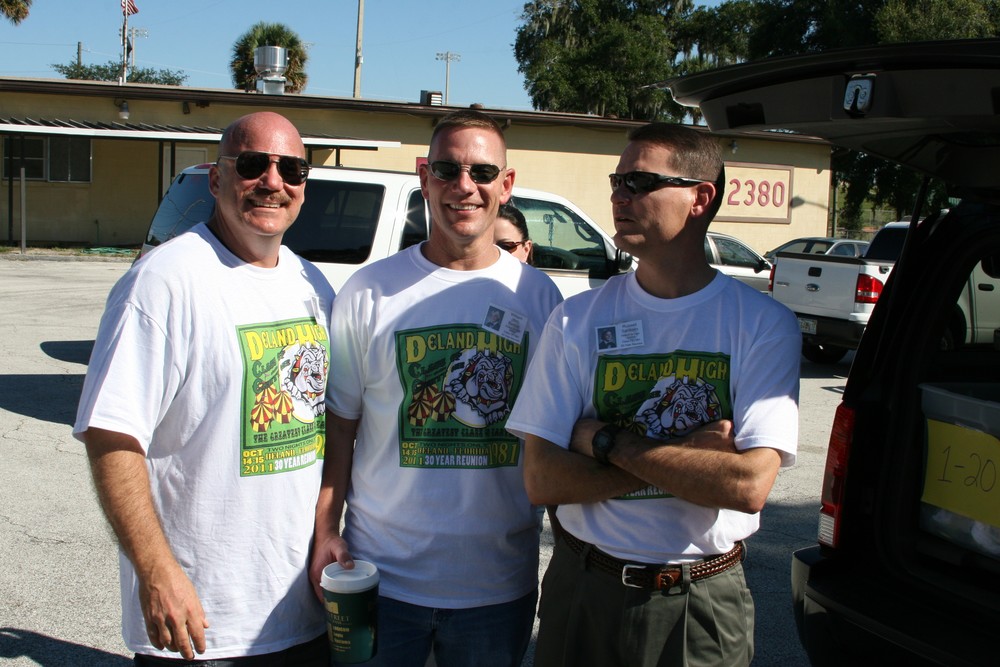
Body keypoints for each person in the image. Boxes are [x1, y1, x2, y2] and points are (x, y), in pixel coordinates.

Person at [506, 122, 800, 667]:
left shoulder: (762, 323)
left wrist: (606, 442)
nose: (619, 196)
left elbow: (747, 485)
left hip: (698, 602)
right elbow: (543, 480)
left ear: (700, 198)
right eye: (617, 181)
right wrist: (689, 459)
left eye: (640, 182)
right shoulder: (575, 318)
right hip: (584, 586)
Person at [74, 112, 334, 665]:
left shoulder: (312, 284)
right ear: (217, 179)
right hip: (202, 623)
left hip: (300, 616)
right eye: (252, 164)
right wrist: (156, 570)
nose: (273, 181)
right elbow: (111, 436)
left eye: (291, 169)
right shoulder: (163, 282)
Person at [311, 109, 563, 667]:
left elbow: (553, 438)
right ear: (425, 178)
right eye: (447, 170)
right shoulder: (369, 291)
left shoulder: (540, 298)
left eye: (482, 172)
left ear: (506, 184)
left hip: (497, 585)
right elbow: (341, 426)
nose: (464, 186)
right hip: (381, 577)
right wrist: (326, 528)